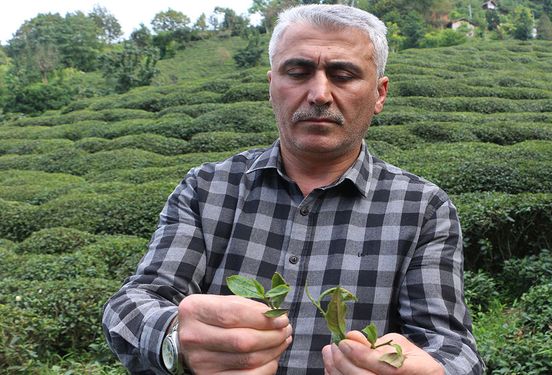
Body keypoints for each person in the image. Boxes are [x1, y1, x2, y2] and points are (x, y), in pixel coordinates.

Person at [102, 4, 483, 374]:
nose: (319, 94)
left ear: (379, 93)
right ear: (272, 86)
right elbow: (134, 302)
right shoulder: (207, 188)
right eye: (298, 72)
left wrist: (431, 370)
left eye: (343, 74)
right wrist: (174, 337)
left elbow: (451, 345)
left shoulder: (423, 208)